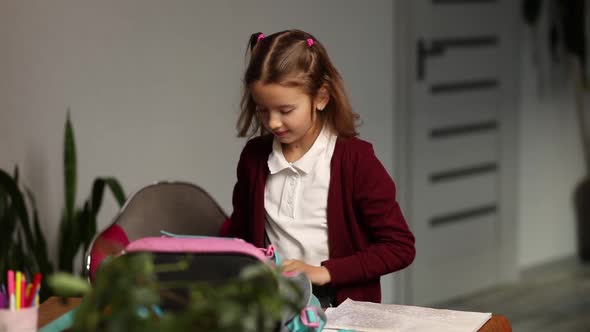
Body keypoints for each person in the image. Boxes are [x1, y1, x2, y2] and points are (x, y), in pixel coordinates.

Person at [224, 29, 415, 307]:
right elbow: (240, 235)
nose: (273, 122)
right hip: (271, 303)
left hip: (338, 307)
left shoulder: (356, 160)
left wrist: (325, 272)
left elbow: (399, 248)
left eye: (286, 110)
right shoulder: (254, 157)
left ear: (321, 97)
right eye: (263, 110)